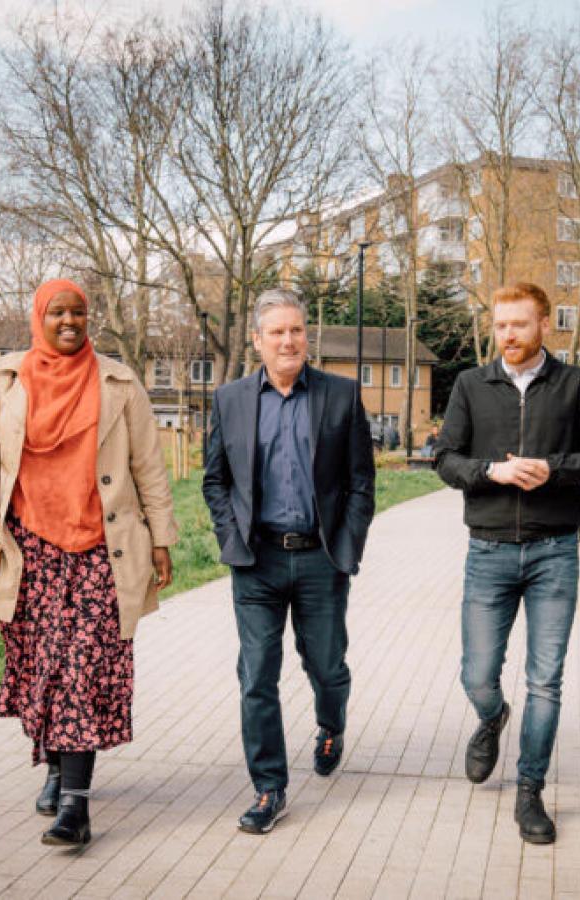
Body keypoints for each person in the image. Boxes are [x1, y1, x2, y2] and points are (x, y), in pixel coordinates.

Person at [0, 278, 178, 847]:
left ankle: (75, 807)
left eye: (79, 311)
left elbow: (149, 466)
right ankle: (56, 765)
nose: (70, 321)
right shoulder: (6, 380)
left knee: (83, 668)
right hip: (28, 552)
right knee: (44, 668)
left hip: (103, 548)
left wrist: (161, 538)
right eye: (58, 312)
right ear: (39, 317)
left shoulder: (119, 382)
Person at [434, 282, 580, 844]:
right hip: (487, 551)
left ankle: (530, 790)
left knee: (546, 680)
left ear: (544, 324)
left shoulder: (574, 387)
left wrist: (553, 469)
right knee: (477, 674)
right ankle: (492, 717)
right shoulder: (471, 385)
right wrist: (491, 471)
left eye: (519, 324)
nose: (508, 335)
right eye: (501, 325)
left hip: (554, 553)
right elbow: (443, 457)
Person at [202, 288, 375, 835]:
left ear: (307, 336)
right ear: (258, 340)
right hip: (257, 563)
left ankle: (331, 724)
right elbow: (215, 480)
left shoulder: (341, 396)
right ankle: (269, 786)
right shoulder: (230, 400)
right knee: (256, 676)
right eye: (276, 331)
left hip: (321, 560)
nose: (288, 340)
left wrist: (346, 547)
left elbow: (361, 482)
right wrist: (232, 537)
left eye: (296, 330)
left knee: (326, 665)